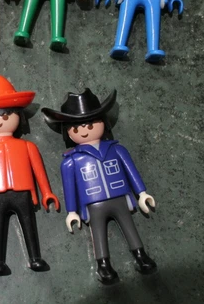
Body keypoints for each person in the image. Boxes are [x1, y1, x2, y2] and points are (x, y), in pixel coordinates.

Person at [42, 88, 157, 284]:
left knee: (129, 227)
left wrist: (142, 193)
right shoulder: (71, 161)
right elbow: (69, 188)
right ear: (67, 131)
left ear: (103, 122)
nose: (85, 130)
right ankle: (103, 266)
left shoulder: (116, 149)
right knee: (98, 233)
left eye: (91, 124)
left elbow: (131, 171)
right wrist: (71, 211)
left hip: (120, 197)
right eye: (76, 128)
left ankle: (141, 255)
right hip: (93, 203)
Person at [0, 75, 59, 275]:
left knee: (29, 224)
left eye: (6, 116)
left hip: (23, 192)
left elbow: (38, 170)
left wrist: (47, 192)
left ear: (19, 117)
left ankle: (35, 257)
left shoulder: (28, 146)